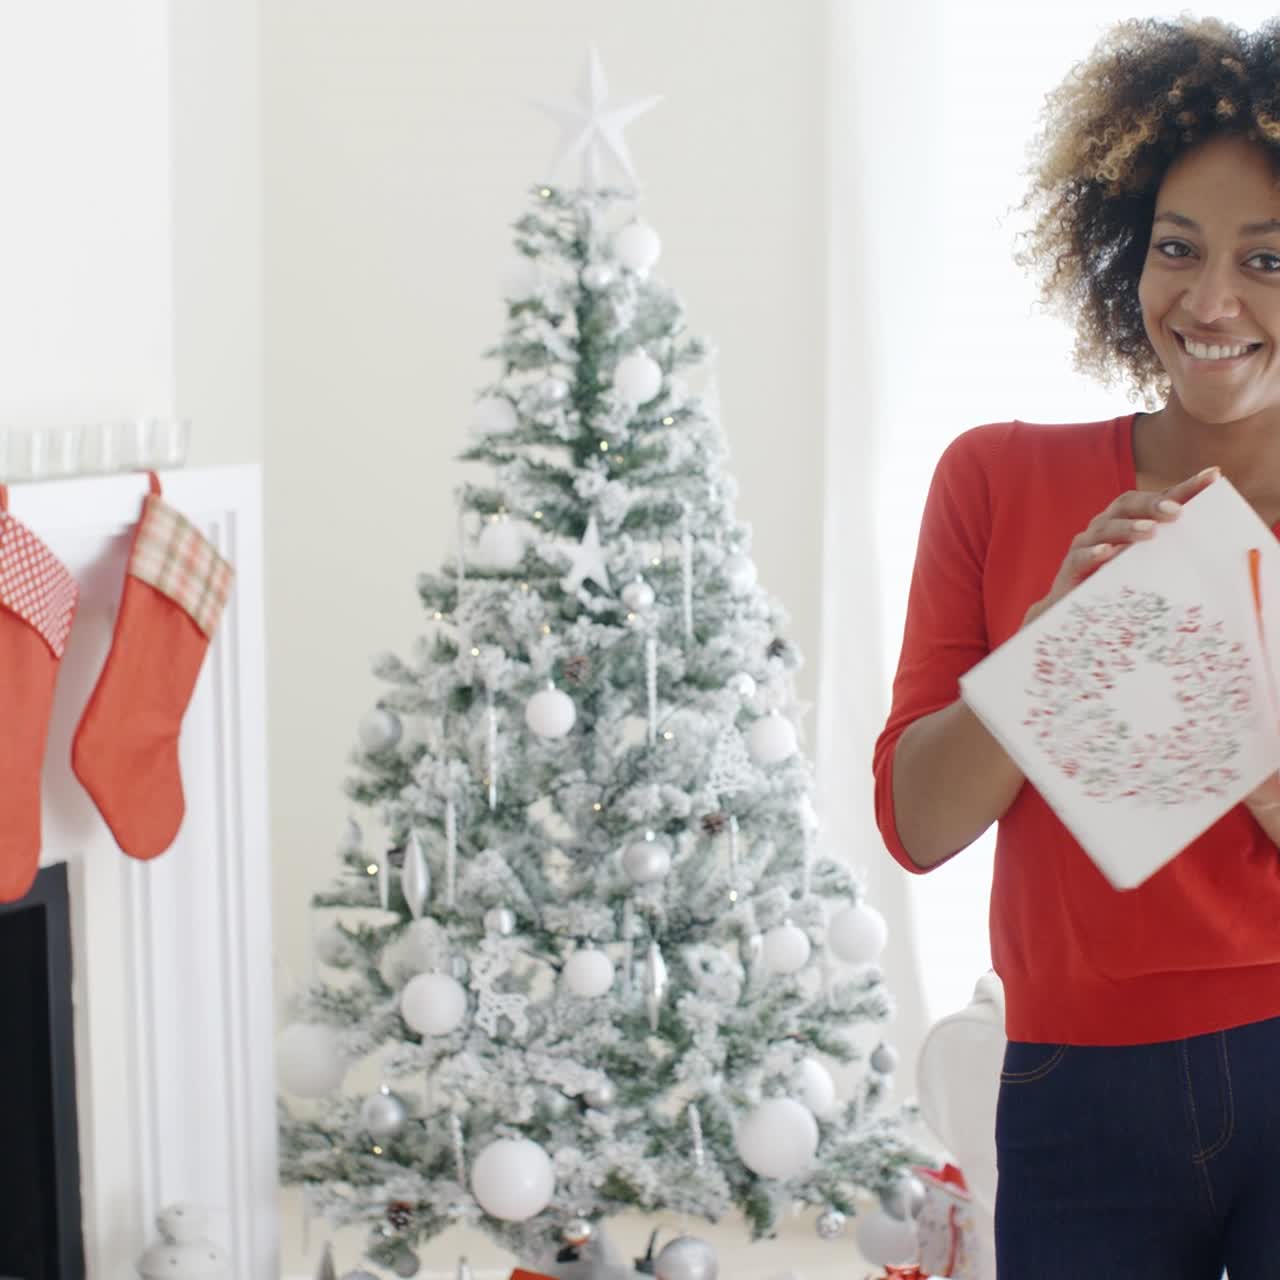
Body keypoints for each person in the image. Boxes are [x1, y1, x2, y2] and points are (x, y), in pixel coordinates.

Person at [873, 16, 1280, 1278]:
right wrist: (1049, 658)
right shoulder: (996, 478)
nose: (1207, 301)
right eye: (1175, 248)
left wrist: (1246, 745)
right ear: (1121, 251)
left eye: (1266, 259)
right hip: (1073, 1087)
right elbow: (914, 825)